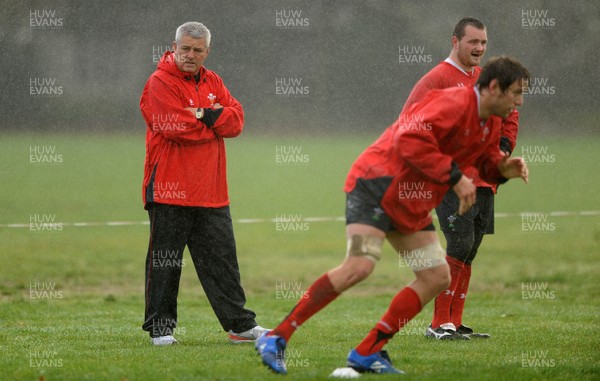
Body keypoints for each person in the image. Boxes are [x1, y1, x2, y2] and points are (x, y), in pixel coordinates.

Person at [256, 56, 530, 374]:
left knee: (436, 277)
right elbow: (409, 139)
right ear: (494, 87)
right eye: (516, 92)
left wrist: (502, 168)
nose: (519, 101)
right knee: (359, 266)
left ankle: (366, 352)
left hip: (410, 201)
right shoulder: (454, 103)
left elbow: (484, 162)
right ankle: (276, 337)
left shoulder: (491, 121)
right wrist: (455, 177)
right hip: (376, 183)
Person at [139, 21, 267, 346]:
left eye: (197, 50)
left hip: (211, 192)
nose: (190, 55)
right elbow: (175, 128)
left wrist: (203, 114)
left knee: (222, 263)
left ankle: (240, 326)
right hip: (169, 190)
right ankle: (161, 329)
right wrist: (212, 118)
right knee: (166, 262)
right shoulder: (159, 82)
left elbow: (236, 121)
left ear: (207, 52)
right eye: (185, 48)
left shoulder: (214, 81)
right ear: (174, 46)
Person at [402, 17, 519, 340]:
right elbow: (409, 125)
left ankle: (455, 321)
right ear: (455, 42)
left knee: (471, 248)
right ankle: (439, 325)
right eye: (473, 42)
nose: (479, 48)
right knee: (459, 242)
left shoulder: (486, 79)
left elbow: (510, 113)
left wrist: (505, 146)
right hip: (449, 180)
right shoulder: (436, 79)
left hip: (485, 179)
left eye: (483, 43)